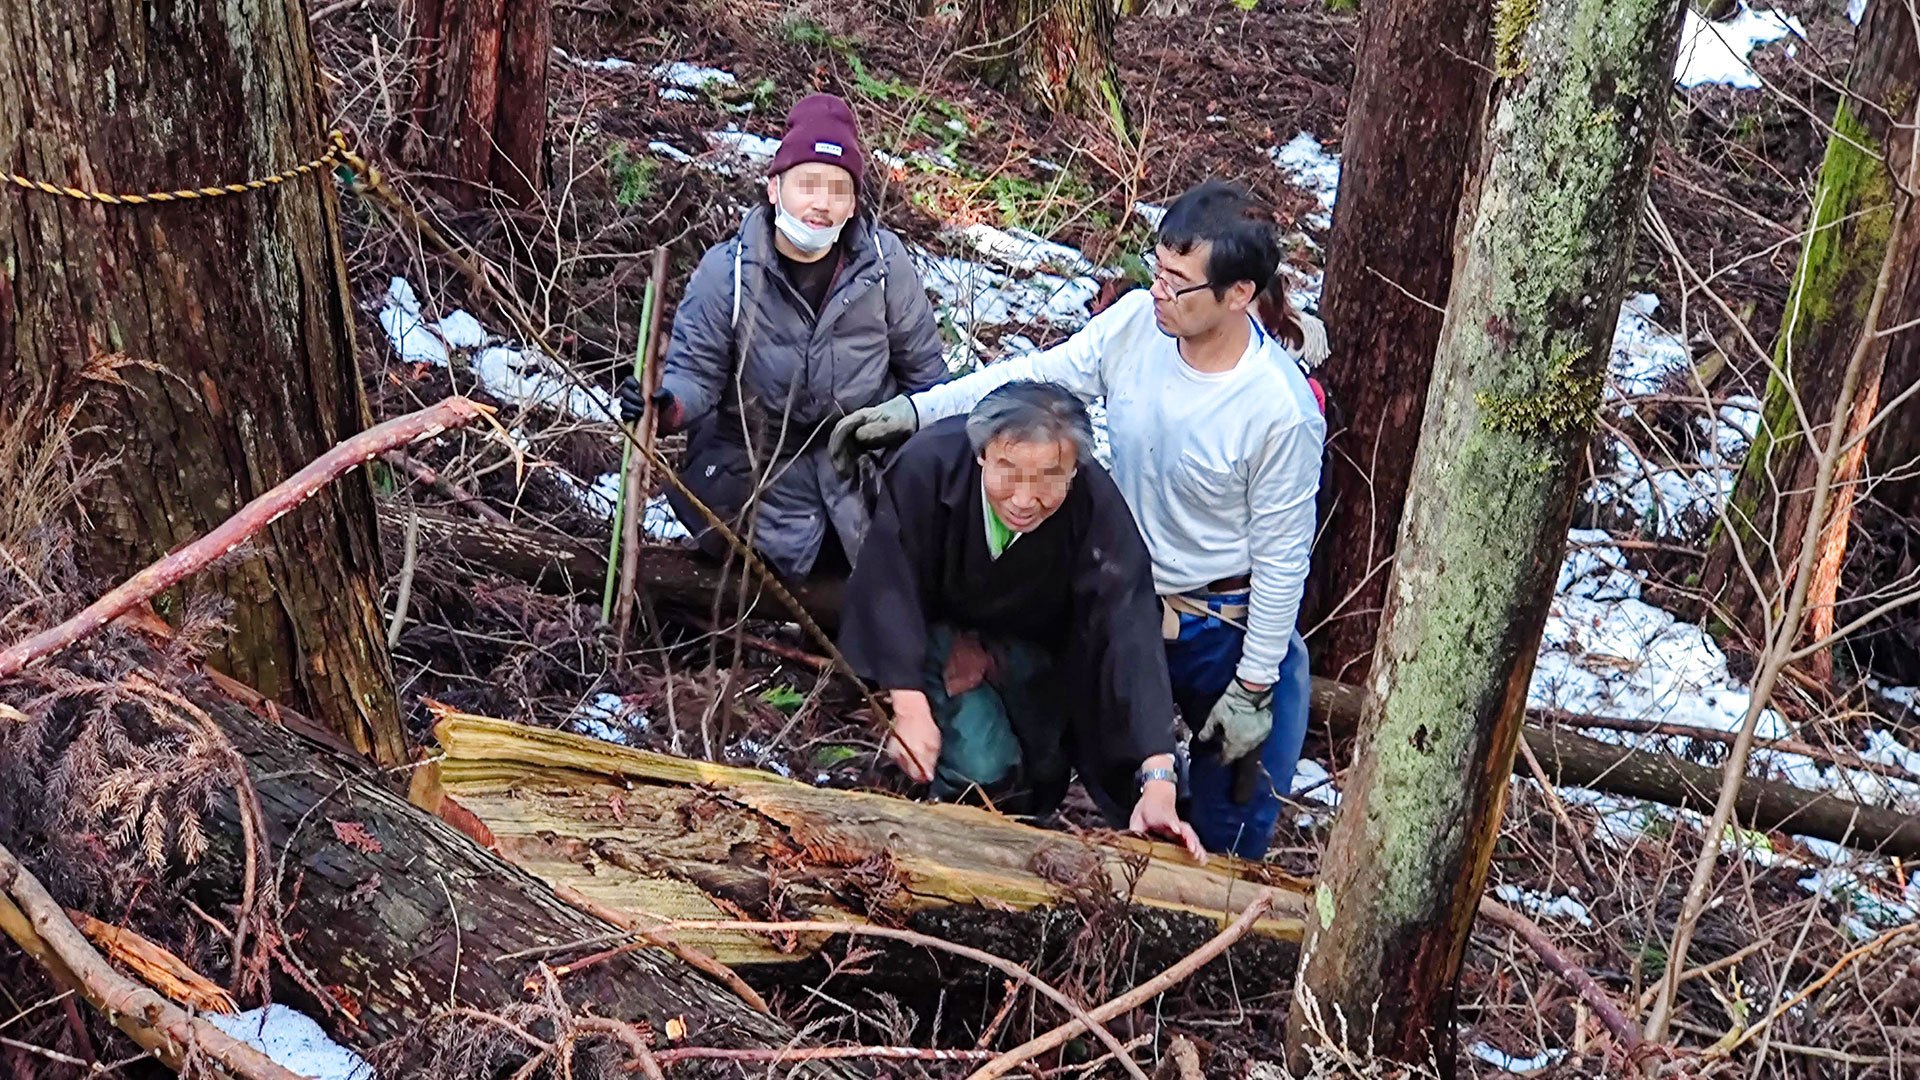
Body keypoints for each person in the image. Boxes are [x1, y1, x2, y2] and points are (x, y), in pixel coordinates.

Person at [830, 180, 1324, 860]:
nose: (1157, 292)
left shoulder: (1279, 411)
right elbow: (1035, 383)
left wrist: (1255, 685)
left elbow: (1281, 556)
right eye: (1156, 270)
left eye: (1179, 283)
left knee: (1230, 831)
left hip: (1226, 622)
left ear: (1238, 294)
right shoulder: (1137, 328)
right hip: (1120, 596)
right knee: (1120, 778)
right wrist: (917, 412)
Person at [839, 382, 1206, 859]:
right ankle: (949, 848)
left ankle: (1030, 835)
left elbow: (1128, 628)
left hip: (1032, 648)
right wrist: (909, 707)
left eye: (1049, 477)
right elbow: (890, 582)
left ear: (1075, 470)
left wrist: (1158, 775)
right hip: (930, 637)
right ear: (981, 455)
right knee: (984, 766)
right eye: (1008, 470)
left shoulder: (1094, 506)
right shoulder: (929, 465)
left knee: (1048, 763)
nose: (1024, 499)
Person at [619, 93, 947, 579]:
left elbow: (927, 380)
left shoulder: (884, 266)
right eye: (807, 184)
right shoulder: (727, 274)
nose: (821, 203)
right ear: (774, 189)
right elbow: (695, 377)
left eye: (838, 189)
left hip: (863, 476)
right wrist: (665, 406)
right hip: (760, 482)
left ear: (854, 203)